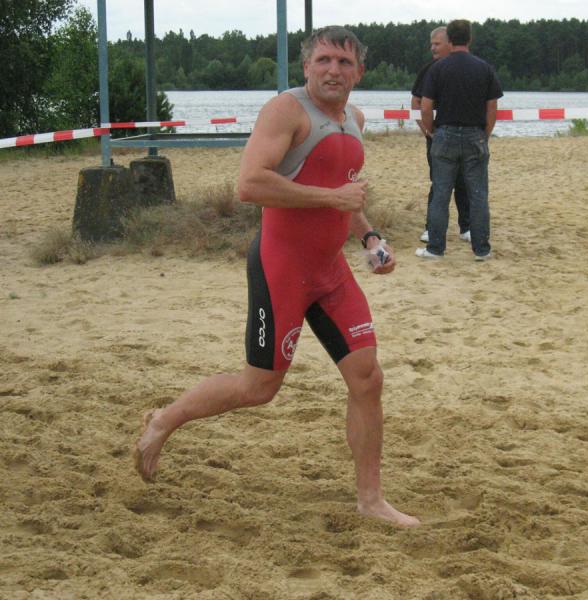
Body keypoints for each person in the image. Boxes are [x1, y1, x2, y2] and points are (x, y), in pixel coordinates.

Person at [133, 26, 420, 529]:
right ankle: (164, 419)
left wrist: (370, 237)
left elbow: (345, 191)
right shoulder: (286, 111)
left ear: (359, 72)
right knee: (259, 387)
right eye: (324, 60)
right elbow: (249, 184)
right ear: (306, 66)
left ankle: (371, 500)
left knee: (367, 378)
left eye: (344, 62)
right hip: (281, 267)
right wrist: (333, 199)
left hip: (330, 272)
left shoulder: (354, 119)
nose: (333, 70)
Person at [416, 19, 503, 261]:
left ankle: (435, 248)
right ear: (470, 39)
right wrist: (485, 134)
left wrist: (431, 131)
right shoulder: (484, 68)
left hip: (445, 134)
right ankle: (482, 249)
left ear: (450, 40)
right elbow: (492, 108)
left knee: (440, 194)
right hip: (475, 135)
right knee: (478, 195)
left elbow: (425, 106)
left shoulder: (437, 69)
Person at [411, 26, 470, 245]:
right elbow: (416, 103)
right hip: (437, 137)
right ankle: (432, 228)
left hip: (464, 134)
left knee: (463, 182)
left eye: (437, 44)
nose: (432, 48)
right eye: (431, 44)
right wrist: (427, 131)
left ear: (450, 43)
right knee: (439, 183)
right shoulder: (428, 70)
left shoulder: (467, 67)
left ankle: (467, 227)